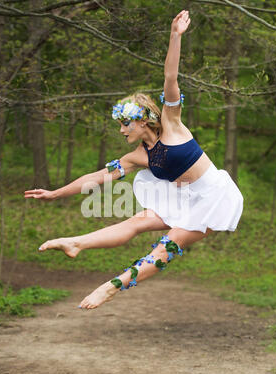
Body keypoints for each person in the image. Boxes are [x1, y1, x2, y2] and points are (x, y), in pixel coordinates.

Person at [24, 10, 243, 310]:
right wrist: (56, 192)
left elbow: (170, 77)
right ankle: (76, 242)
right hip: (182, 197)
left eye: (126, 123)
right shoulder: (138, 156)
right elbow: (98, 177)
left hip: (212, 197)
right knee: (136, 221)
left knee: (168, 245)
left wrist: (175, 36)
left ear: (142, 120)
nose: (121, 129)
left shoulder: (172, 123)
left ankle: (111, 287)